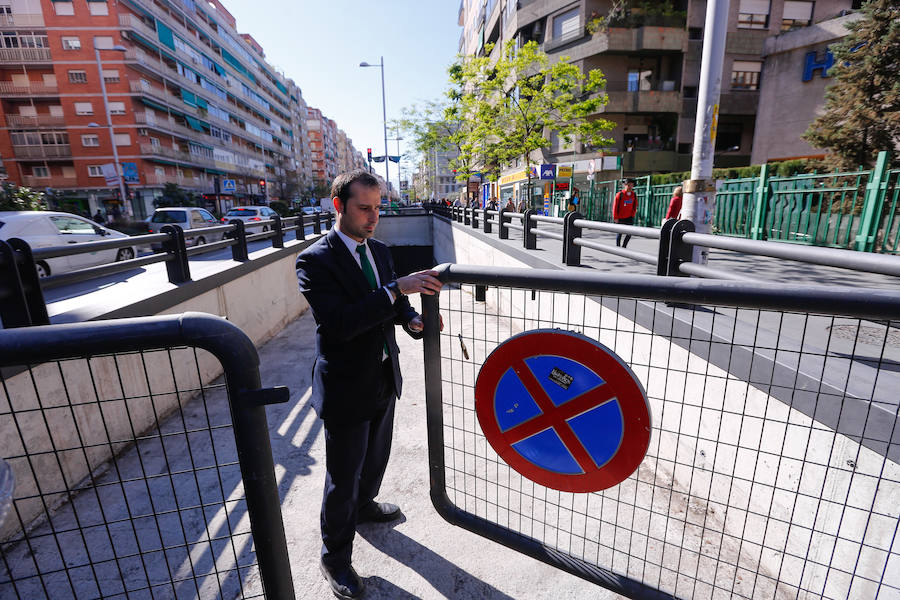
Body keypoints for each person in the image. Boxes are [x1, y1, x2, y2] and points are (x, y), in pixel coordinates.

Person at [295, 169, 443, 599]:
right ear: (338, 206)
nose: (374, 217)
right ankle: (335, 557)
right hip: (344, 385)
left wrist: (413, 319)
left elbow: (394, 307)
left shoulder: (379, 250)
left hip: (382, 374)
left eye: (378, 208)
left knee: (375, 457)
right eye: (365, 209)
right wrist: (396, 291)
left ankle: (365, 505)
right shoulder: (314, 261)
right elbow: (340, 324)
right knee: (342, 476)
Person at [613, 178, 638, 248]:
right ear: (625, 185)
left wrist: (632, 215)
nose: (630, 187)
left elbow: (635, 206)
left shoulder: (634, 195)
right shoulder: (619, 194)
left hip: (629, 217)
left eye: (632, 186)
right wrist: (615, 217)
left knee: (629, 233)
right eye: (628, 185)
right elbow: (615, 207)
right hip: (620, 218)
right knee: (619, 233)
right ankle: (617, 247)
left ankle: (624, 246)